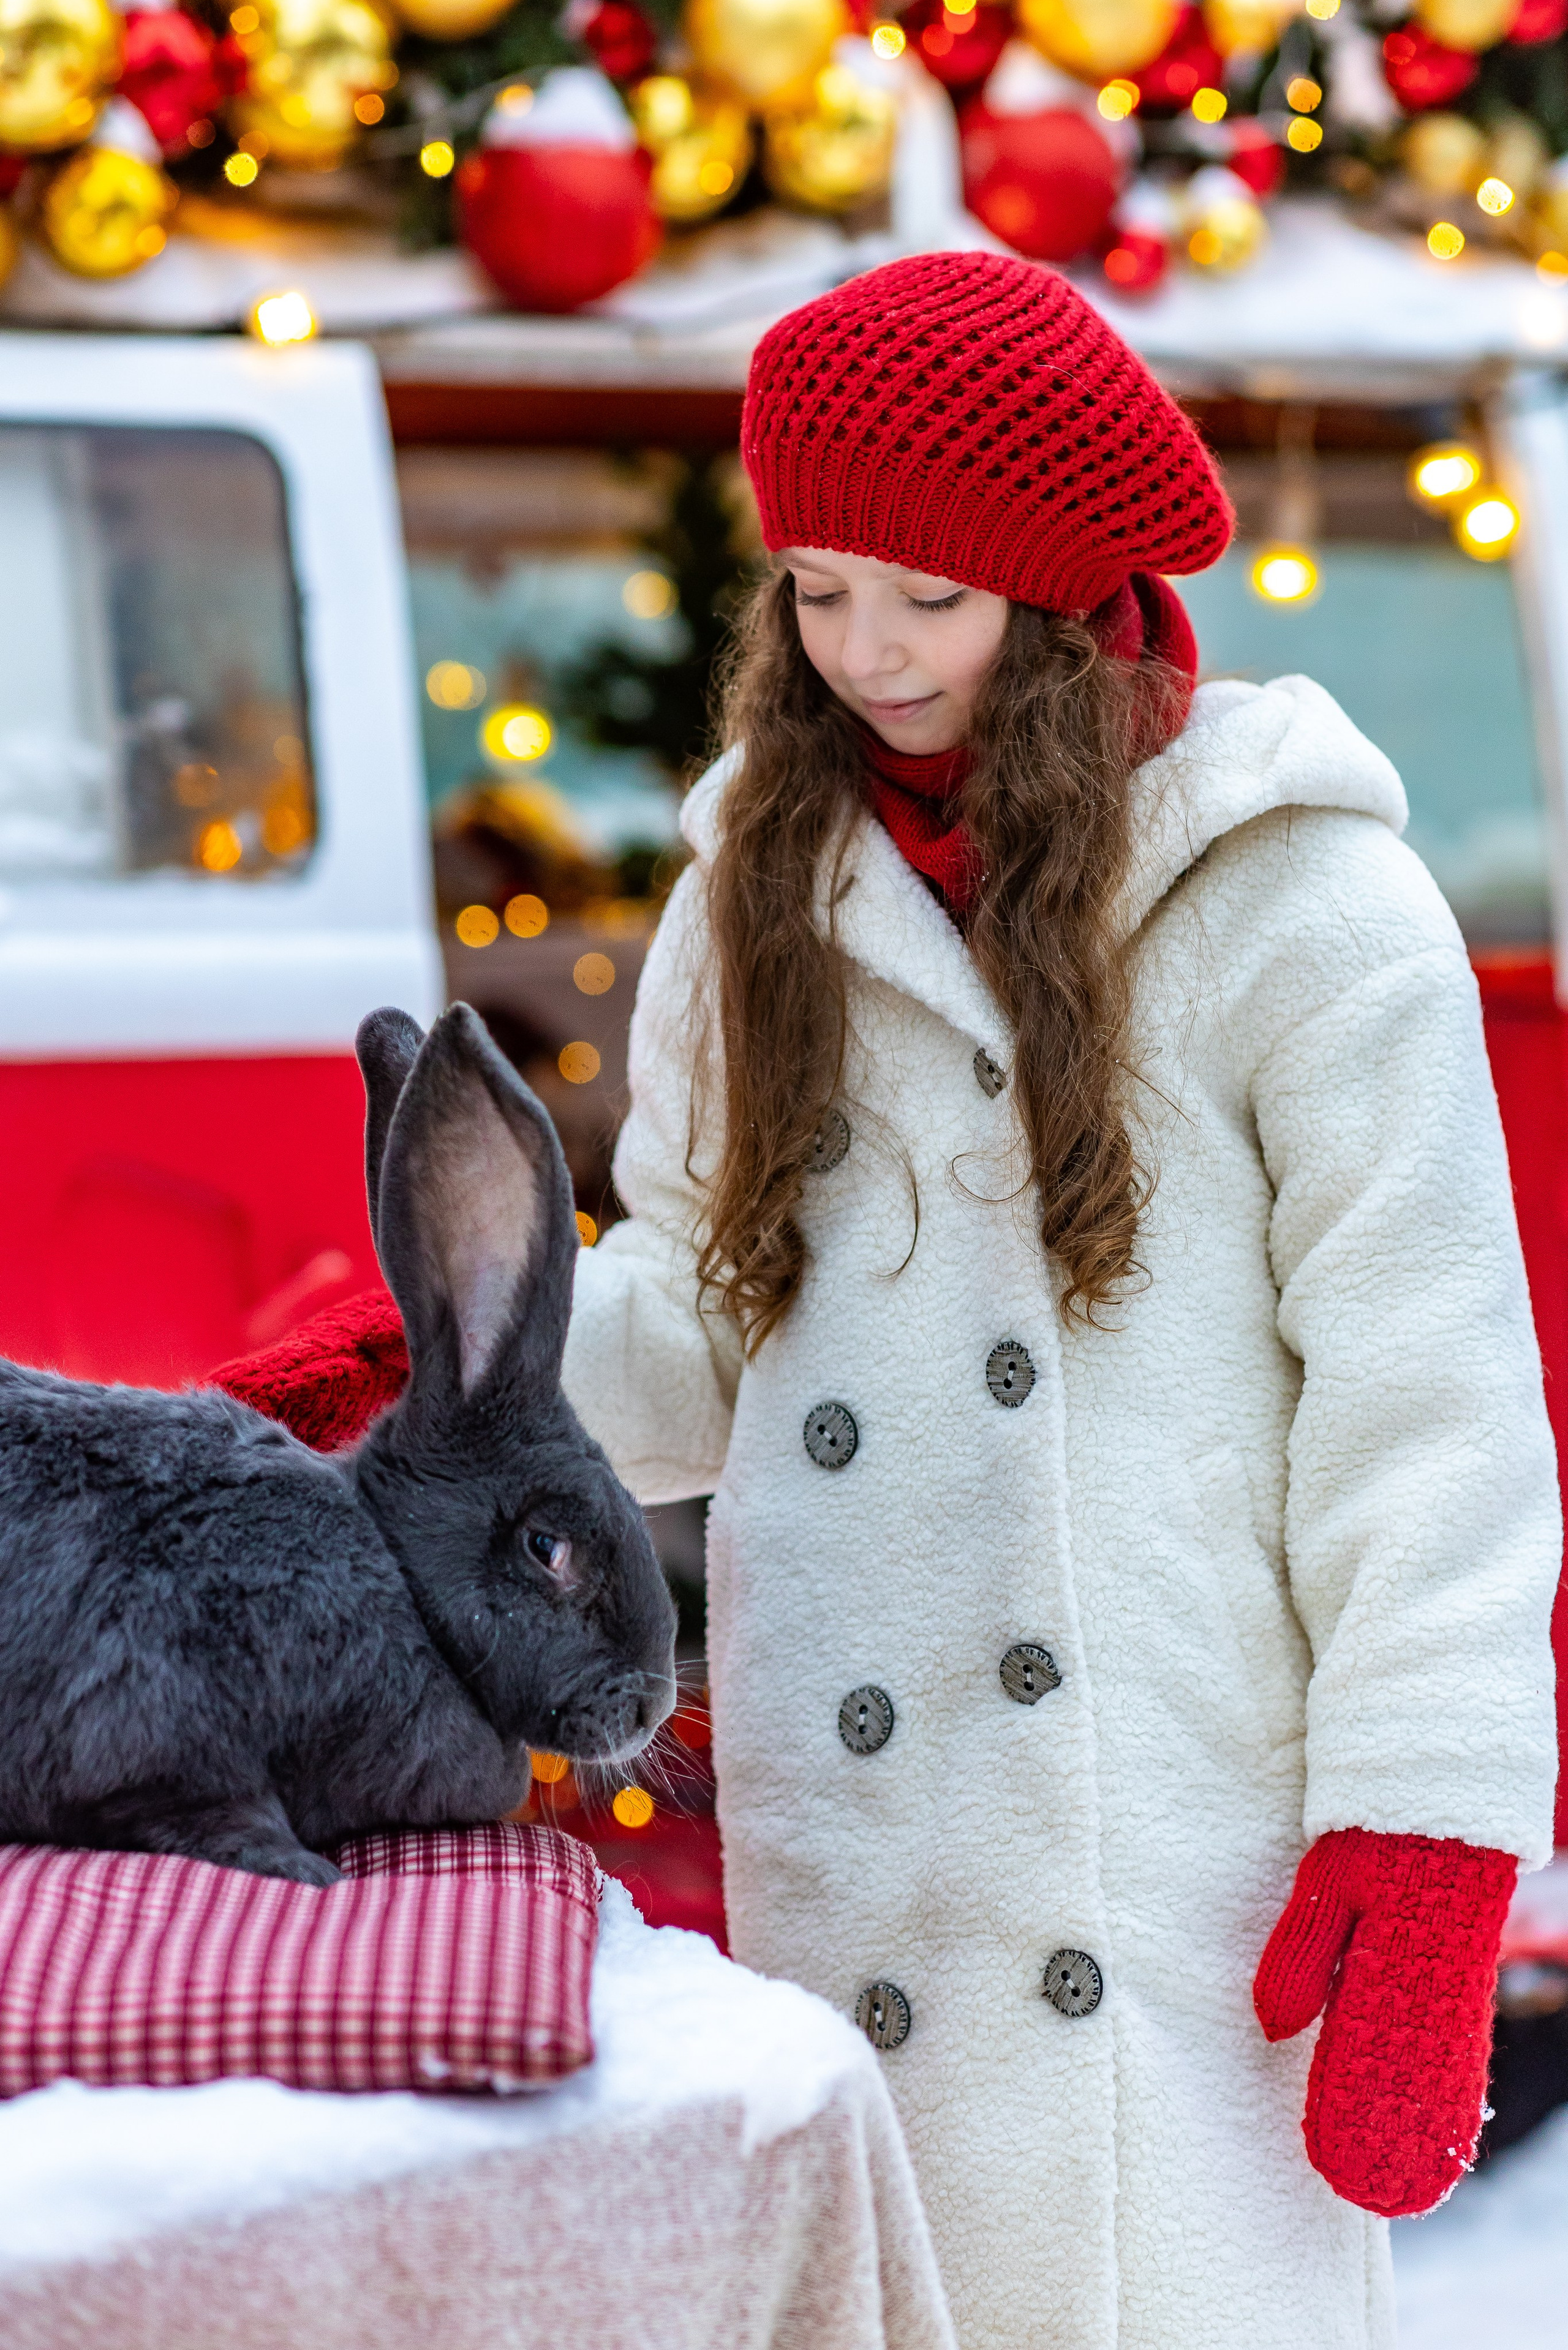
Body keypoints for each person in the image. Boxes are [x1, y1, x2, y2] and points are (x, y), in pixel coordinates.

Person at [218, 254, 1561, 2350]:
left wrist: (1433, 1812)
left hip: (1178, 1838)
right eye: (819, 593)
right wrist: (462, 1368)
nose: (864, 655)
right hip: (865, 1827)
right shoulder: (756, 884)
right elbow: (713, 1309)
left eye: (925, 600)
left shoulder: (1306, 903)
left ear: (1060, 587)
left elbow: (1435, 1397)